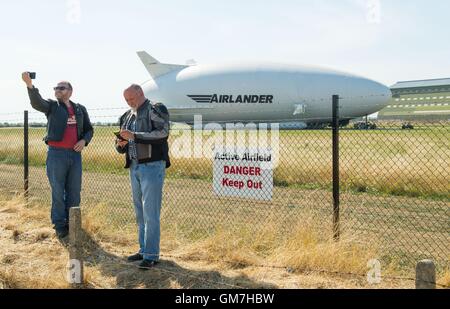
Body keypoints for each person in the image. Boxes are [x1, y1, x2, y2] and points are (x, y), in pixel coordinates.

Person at [22, 72, 94, 239]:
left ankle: (72, 224)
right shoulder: (53, 106)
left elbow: (89, 129)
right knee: (57, 191)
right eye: (56, 88)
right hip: (56, 155)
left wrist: (84, 140)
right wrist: (29, 85)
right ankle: (60, 225)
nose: (57, 90)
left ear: (70, 91)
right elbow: (37, 103)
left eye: (61, 88)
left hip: (75, 156)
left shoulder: (79, 109)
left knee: (74, 191)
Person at [115, 84, 170, 270]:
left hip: (152, 165)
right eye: (126, 100)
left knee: (150, 212)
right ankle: (144, 249)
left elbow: (163, 133)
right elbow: (121, 143)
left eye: (131, 99)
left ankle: (152, 255)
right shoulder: (127, 115)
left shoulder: (156, 108)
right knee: (139, 212)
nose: (129, 102)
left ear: (141, 93)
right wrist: (121, 144)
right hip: (135, 166)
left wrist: (134, 136)